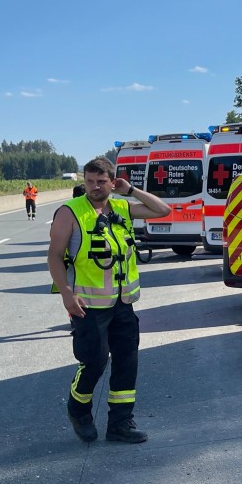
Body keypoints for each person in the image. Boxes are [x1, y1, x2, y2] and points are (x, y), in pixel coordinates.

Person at [48, 158, 169, 444]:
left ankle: (120, 423)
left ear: (112, 182)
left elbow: (163, 210)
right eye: (90, 181)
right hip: (87, 305)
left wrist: (131, 191)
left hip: (122, 302)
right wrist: (66, 293)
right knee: (95, 361)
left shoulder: (122, 207)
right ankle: (78, 411)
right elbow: (54, 255)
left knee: (127, 361)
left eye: (101, 182)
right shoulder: (70, 212)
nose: (94, 187)